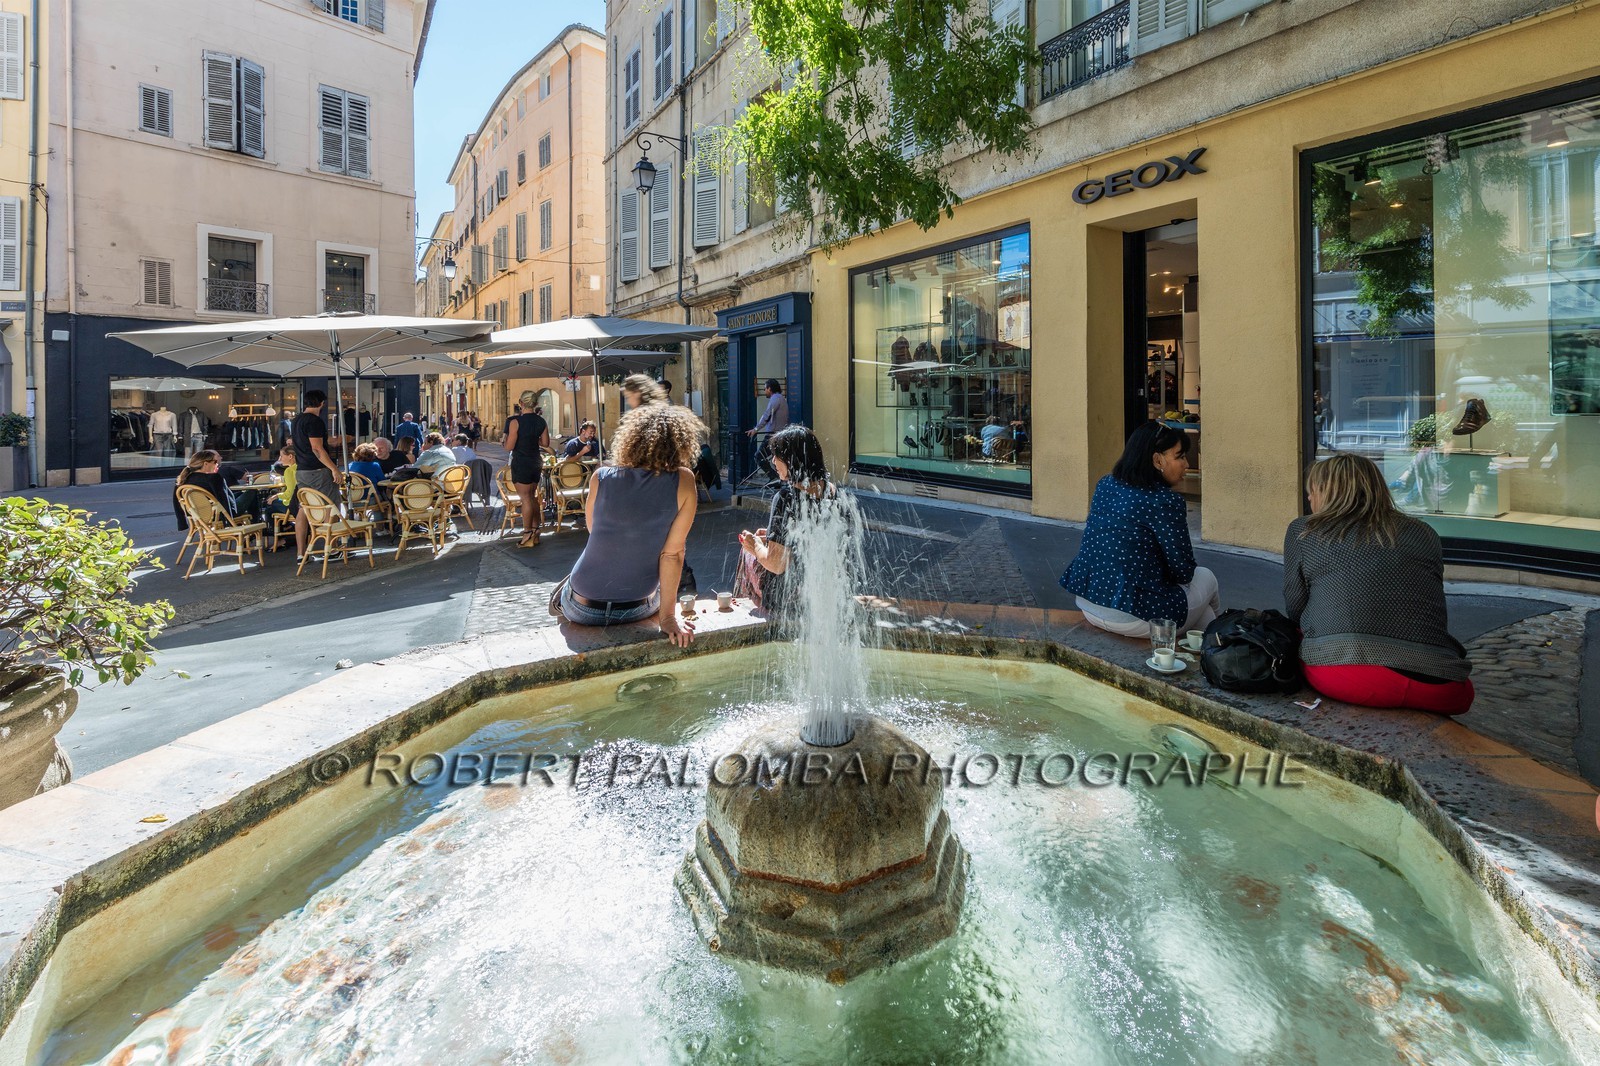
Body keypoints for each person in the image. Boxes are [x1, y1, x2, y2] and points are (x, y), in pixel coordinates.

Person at [1285, 453, 1474, 714]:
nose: (1309, 498)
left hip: (1346, 676)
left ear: (1327, 492)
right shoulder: (1424, 532)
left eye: (1313, 490)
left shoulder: (1304, 530)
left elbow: (1295, 607)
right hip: (1443, 687)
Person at [554, 403, 701, 646]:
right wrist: (667, 618)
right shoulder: (684, 481)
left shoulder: (601, 477)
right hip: (636, 608)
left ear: (629, 439)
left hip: (583, 608)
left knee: (570, 586)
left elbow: (595, 531)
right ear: (679, 443)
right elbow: (672, 555)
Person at [1060, 421, 1220, 639]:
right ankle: (1219, 646)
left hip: (1089, 604)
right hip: (1136, 617)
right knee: (1207, 577)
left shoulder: (1106, 484)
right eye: (1180, 456)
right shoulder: (1164, 501)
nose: (1186, 464)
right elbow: (1184, 572)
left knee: (1204, 613)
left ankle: (1206, 645)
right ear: (1157, 460)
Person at [738, 425, 837, 620]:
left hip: (790, 598)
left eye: (777, 456)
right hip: (827, 589)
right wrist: (772, 534)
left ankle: (754, 615)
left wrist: (755, 545)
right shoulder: (832, 490)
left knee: (747, 552)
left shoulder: (786, 498)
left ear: (792, 460)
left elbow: (777, 564)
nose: (773, 461)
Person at [291, 389, 344, 559]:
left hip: (302, 470)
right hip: (318, 470)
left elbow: (309, 443)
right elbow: (317, 449)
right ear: (322, 403)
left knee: (304, 508)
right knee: (331, 506)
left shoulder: (296, 420)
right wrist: (334, 469)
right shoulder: (315, 421)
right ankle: (331, 548)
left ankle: (301, 553)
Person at [504, 402, 551, 547]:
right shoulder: (541, 421)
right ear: (535, 404)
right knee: (532, 496)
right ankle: (536, 530)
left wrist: (506, 440)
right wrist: (533, 439)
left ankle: (527, 533)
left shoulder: (515, 422)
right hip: (536, 461)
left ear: (522, 404)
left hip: (522, 461)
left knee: (525, 498)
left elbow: (509, 446)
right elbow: (545, 443)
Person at [173, 450, 258, 529]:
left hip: (197, 516)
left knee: (240, 494)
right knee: (252, 492)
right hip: (219, 515)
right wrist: (229, 523)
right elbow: (223, 500)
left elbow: (177, 503)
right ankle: (256, 523)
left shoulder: (182, 480)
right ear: (205, 464)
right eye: (215, 462)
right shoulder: (213, 478)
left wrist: (182, 523)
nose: (217, 464)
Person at [746, 378, 789, 479]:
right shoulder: (781, 399)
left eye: (765, 389)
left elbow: (767, 415)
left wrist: (756, 429)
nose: (764, 391)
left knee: (759, 456)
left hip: (773, 435)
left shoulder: (775, 399)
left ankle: (774, 478)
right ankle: (778, 479)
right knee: (776, 459)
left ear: (770, 389)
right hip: (780, 434)